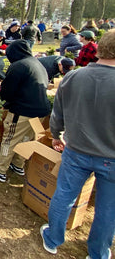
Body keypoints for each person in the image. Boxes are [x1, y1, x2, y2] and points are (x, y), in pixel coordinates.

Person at [40, 31, 115, 259]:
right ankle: (98, 253)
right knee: (107, 210)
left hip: (77, 150)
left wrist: (55, 134)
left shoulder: (74, 76)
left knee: (64, 195)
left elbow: (57, 112)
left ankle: (53, 238)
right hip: (110, 156)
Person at [0, 40, 51, 182]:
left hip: (23, 111)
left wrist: (2, 103)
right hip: (42, 110)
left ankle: (0, 170)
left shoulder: (18, 66)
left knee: (10, 139)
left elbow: (7, 91)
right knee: (27, 139)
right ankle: (18, 164)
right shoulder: (37, 63)